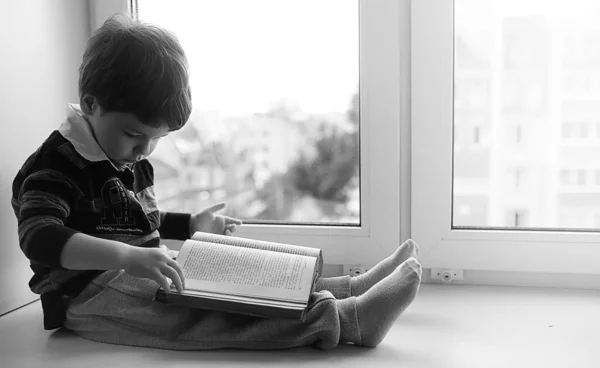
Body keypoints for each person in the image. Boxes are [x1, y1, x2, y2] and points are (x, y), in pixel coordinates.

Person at [11, 14, 422, 350]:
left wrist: (188, 226)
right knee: (208, 317)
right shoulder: (55, 165)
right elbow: (39, 236)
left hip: (141, 271)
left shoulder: (121, 150)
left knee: (246, 273)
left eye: (158, 139)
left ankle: (349, 286)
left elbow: (138, 219)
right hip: (88, 296)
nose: (145, 150)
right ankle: (347, 320)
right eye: (136, 134)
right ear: (90, 105)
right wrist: (124, 256)